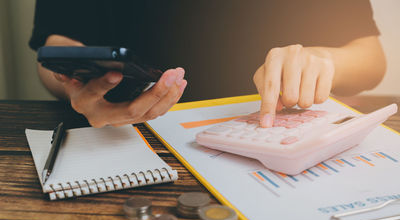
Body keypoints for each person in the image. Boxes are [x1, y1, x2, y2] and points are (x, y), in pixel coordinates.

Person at [30, 0, 386, 128]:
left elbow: (371, 58)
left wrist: (326, 60)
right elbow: (54, 49)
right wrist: (71, 81)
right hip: (122, 134)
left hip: (273, 130)